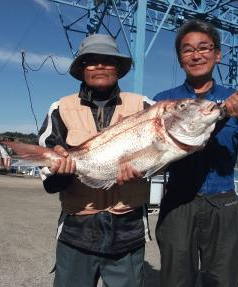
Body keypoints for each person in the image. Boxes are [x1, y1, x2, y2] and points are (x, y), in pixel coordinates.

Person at [153, 19, 238, 287]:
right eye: (187, 50)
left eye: (204, 47)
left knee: (222, 281)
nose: (196, 55)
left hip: (223, 203)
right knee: (175, 279)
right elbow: (154, 156)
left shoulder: (237, 99)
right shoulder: (163, 102)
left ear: (218, 54)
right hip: (178, 202)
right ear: (179, 59)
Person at [38, 34, 153, 287]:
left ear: (118, 69)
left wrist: (143, 170)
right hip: (76, 233)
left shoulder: (145, 106)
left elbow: (165, 156)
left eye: (108, 61)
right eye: (91, 61)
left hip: (128, 233)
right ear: (81, 69)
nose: (100, 66)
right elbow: (49, 183)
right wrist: (63, 171)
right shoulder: (60, 108)